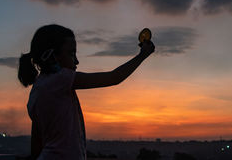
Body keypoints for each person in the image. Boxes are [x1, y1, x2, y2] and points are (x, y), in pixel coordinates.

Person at [17, 24, 155, 160]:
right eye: (71, 53)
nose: (76, 61)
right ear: (52, 56)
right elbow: (114, 77)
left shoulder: (37, 91)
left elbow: (36, 146)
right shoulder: (60, 79)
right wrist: (142, 55)